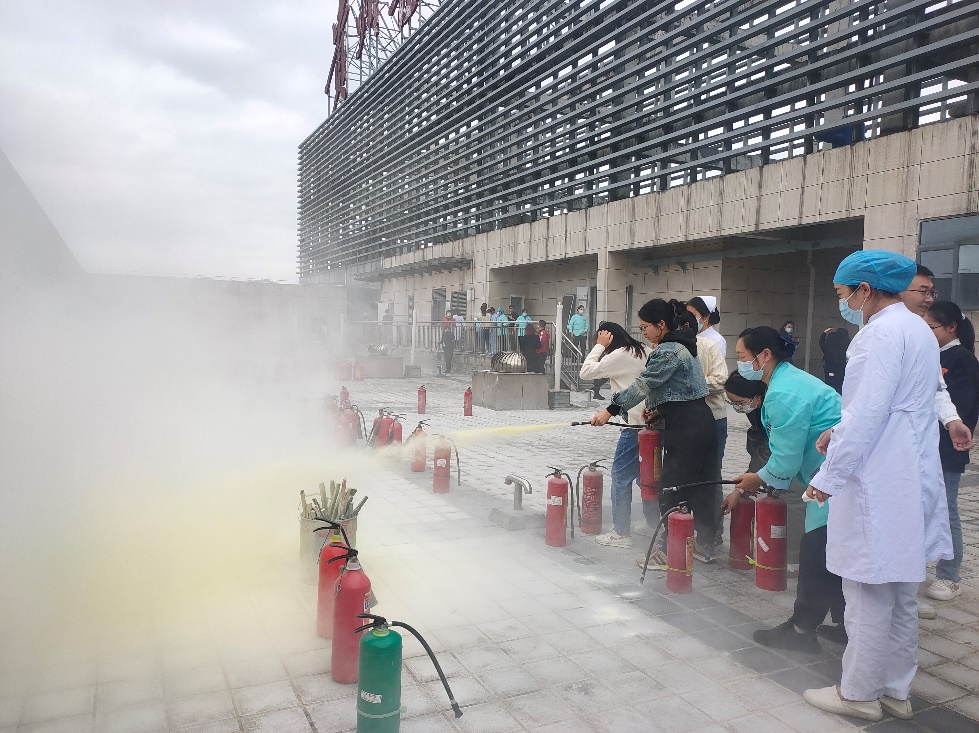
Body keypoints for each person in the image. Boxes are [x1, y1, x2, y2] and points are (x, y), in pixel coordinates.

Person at [802, 250, 952, 723]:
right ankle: (894, 690)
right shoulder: (918, 330)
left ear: (865, 289)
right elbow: (891, 405)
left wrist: (829, 476)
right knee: (902, 590)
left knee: (867, 589)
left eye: (844, 293)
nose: (844, 302)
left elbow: (867, 412)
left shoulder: (877, 335)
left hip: (880, 475)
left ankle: (858, 693)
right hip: (912, 469)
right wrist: (837, 431)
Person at [720, 326, 843, 653]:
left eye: (742, 356)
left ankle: (801, 632)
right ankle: (848, 624)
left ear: (765, 355)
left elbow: (785, 461)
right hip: (831, 477)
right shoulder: (789, 381)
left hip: (833, 482)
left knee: (817, 554)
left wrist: (756, 479)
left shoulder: (782, 394)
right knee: (837, 554)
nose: (740, 363)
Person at [589, 299, 717, 570]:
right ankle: (701, 542)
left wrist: (610, 410)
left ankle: (670, 553)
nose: (644, 332)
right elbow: (681, 390)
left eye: (646, 327)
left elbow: (643, 384)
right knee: (698, 486)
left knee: (672, 489)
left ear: (661, 324)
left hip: (686, 428)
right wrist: (659, 412)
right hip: (700, 421)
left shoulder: (668, 351)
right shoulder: (685, 345)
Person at [923, 301, 979, 602]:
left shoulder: (962, 360)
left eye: (931, 327)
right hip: (922, 447)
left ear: (951, 327)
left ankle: (949, 576)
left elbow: (961, 407)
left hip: (947, 448)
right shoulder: (930, 355)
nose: (926, 332)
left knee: (946, 511)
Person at [579, 322, 648, 549]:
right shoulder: (643, 349)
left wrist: (599, 346)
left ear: (607, 337)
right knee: (646, 478)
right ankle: (653, 524)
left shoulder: (620, 354)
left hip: (634, 427)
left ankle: (621, 533)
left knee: (620, 477)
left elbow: (586, 372)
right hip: (652, 425)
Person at [678, 307, 729, 559]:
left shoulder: (709, 346)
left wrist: (690, 385)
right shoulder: (669, 350)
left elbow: (720, 379)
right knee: (684, 477)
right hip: (683, 422)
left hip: (713, 418)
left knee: (711, 477)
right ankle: (686, 531)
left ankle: (711, 535)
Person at [723, 373, 769, 471]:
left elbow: (772, 445)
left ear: (757, 397)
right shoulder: (753, 408)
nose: (738, 407)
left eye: (740, 403)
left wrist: (755, 473)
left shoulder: (773, 409)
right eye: (733, 403)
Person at [819, 326, 850, 394]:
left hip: (830, 371)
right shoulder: (848, 347)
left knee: (830, 389)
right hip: (843, 373)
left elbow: (821, 343)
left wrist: (824, 333)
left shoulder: (830, 348)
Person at [439, 309, 456, 373]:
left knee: (449, 358)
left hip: (450, 347)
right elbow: (442, 339)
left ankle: (449, 368)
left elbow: (453, 337)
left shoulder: (450, 334)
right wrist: (439, 343)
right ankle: (448, 368)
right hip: (446, 347)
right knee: (446, 358)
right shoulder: (444, 319)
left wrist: (449, 331)